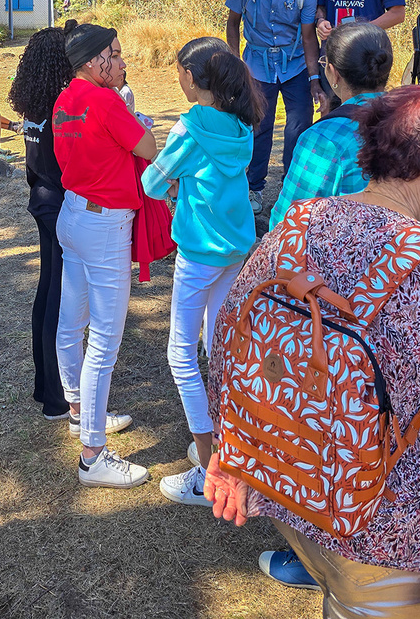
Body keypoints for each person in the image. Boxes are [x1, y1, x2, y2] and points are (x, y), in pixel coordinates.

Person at [204, 85, 420, 619]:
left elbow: (228, 335)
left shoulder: (297, 227)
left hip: (289, 494)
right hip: (386, 539)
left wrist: (231, 451)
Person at [142, 37, 263, 507]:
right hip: (236, 251)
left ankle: (207, 464)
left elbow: (153, 183)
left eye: (179, 71)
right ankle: (232, 450)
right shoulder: (241, 125)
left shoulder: (189, 129)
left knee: (180, 354)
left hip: (198, 255)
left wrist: (172, 180)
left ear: (192, 78)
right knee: (221, 349)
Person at [52, 22, 157, 488]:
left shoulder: (63, 100)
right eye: (115, 54)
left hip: (73, 214)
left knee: (71, 323)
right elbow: (148, 147)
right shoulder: (105, 100)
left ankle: (79, 412)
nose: (122, 61)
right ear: (95, 61)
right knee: (106, 341)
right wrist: (142, 126)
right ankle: (93, 454)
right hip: (104, 223)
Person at [226, 0, 322, 216]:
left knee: (299, 124)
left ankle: (291, 190)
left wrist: (314, 78)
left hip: (294, 65)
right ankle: (253, 187)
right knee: (258, 125)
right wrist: (236, 62)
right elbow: (233, 22)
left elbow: (308, 37)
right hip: (256, 64)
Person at [8, 25, 74, 421]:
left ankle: (44, 387)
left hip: (41, 200)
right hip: (60, 206)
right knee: (58, 301)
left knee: (47, 291)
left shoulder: (34, 103)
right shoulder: (60, 107)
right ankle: (55, 397)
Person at [269, 19, 393, 229]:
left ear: (334, 73)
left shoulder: (325, 137)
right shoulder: (415, 122)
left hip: (349, 256)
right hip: (405, 253)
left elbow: (288, 222)